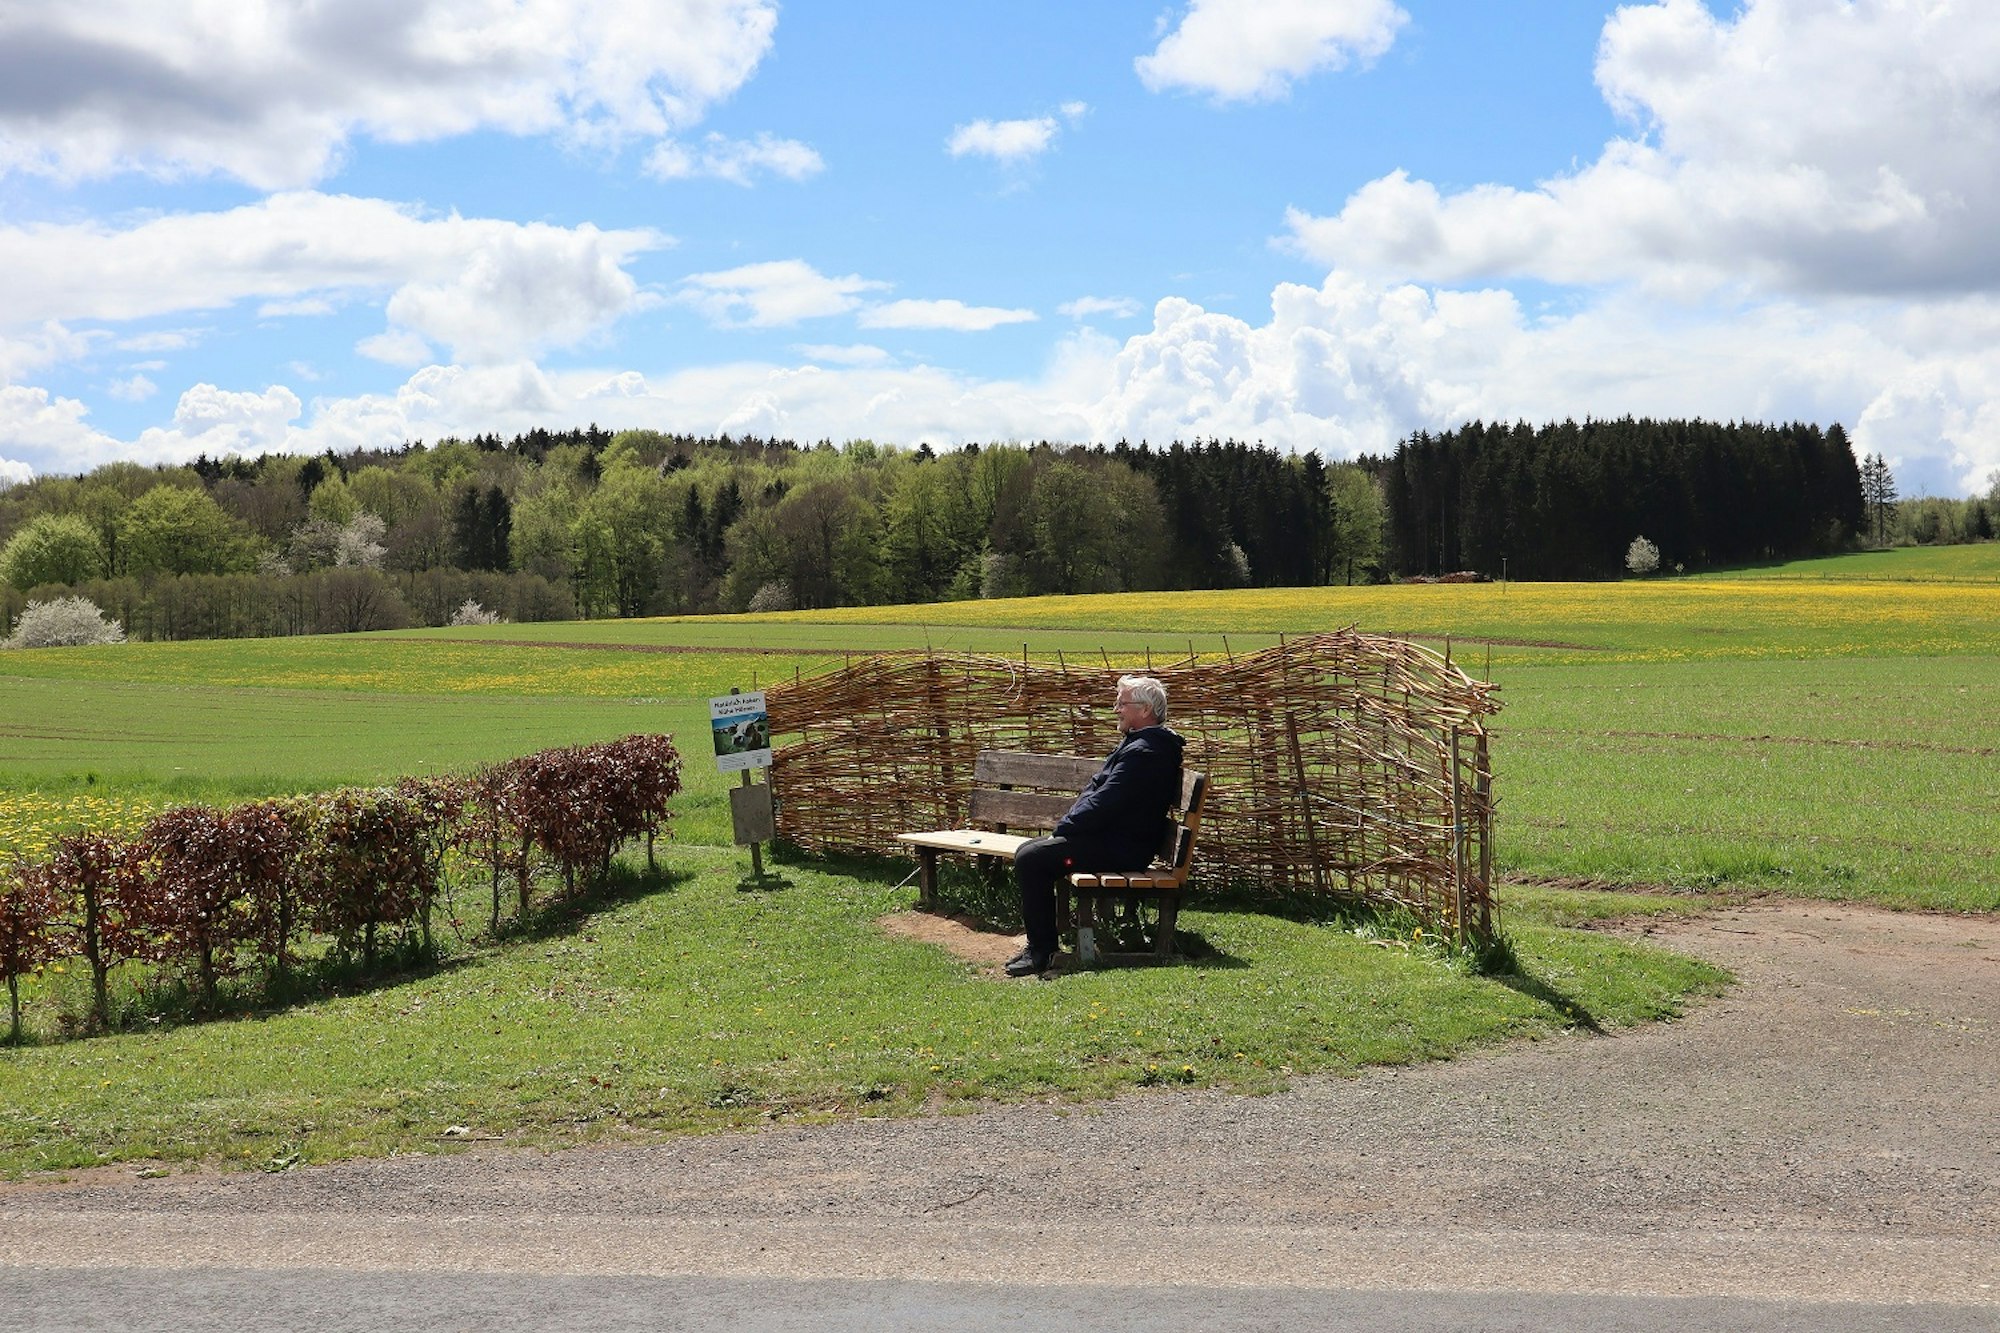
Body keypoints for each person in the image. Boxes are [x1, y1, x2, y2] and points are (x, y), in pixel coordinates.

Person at [1005, 675, 1184, 977]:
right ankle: (1040, 946)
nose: (1115, 709)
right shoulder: (1142, 745)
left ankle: (1041, 953)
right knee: (1029, 851)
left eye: (1121, 703)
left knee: (1032, 859)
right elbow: (1105, 796)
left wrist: (1066, 828)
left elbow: (1107, 802)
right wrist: (1069, 828)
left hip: (1121, 849)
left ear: (1144, 710)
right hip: (1117, 841)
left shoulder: (1146, 752)